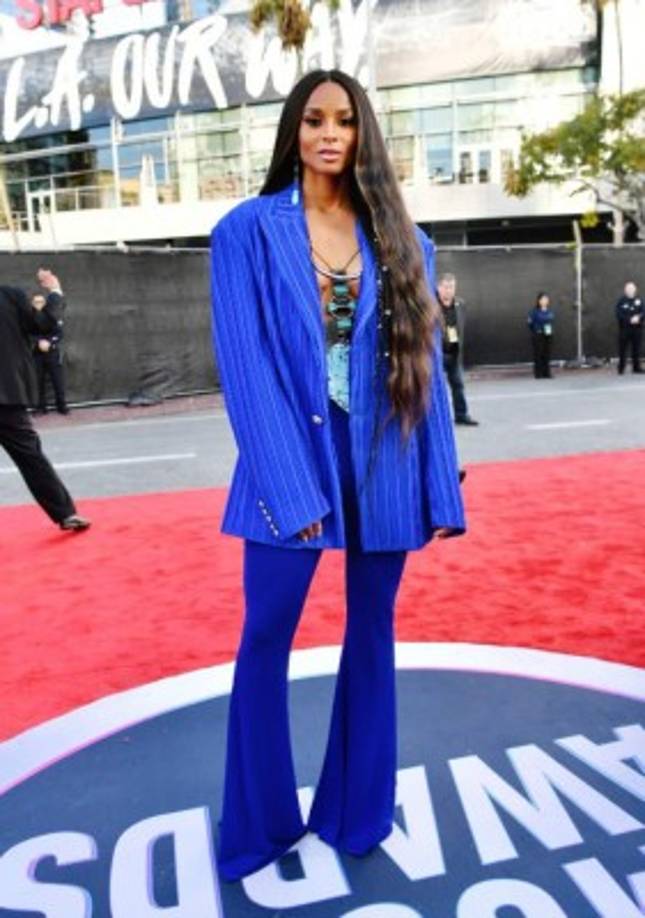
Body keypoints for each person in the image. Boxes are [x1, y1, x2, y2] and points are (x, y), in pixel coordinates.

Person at [209, 69, 465, 883]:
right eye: (315, 119)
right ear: (293, 130)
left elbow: (421, 376)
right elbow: (244, 369)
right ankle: (258, 823)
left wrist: (437, 490)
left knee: (372, 635)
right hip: (286, 463)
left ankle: (356, 811)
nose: (329, 133)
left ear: (362, 133)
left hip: (382, 461)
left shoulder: (403, 240)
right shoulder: (246, 230)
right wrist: (290, 489)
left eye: (345, 120)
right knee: (263, 634)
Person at [0, 285, 90, 531]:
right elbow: (44, 324)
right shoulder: (9, 295)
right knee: (32, 458)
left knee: (32, 458)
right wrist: (55, 292)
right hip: (7, 396)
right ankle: (65, 514)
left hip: (6, 397)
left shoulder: (9, 296)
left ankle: (65, 514)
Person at [436, 272, 479, 425]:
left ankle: (461, 415)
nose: (449, 290)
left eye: (452, 287)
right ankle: (437, 420)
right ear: (438, 287)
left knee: (458, 385)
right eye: (446, 287)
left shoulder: (461, 304)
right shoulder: (431, 305)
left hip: (454, 354)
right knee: (436, 390)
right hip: (437, 354)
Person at [34, 267, 69, 414]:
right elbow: (34, 328)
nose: (50, 280)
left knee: (57, 378)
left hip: (52, 348)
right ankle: (41, 407)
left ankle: (61, 405)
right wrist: (39, 341)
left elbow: (58, 328)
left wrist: (50, 342)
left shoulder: (55, 299)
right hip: (38, 349)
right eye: (44, 279)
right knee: (38, 379)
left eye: (50, 276)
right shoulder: (47, 303)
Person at [615, 280, 643, 374]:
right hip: (624, 329)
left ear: (635, 289)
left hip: (637, 329)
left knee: (636, 349)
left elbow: (643, 312)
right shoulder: (621, 301)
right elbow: (618, 314)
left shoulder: (640, 300)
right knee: (622, 349)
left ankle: (636, 368)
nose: (630, 290)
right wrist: (629, 319)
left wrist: (638, 317)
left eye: (632, 288)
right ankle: (621, 368)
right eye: (628, 288)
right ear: (625, 290)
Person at [527, 292, 555, 379]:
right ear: (539, 301)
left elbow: (551, 321)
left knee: (547, 353)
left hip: (548, 334)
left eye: (546, 299)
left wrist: (549, 332)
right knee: (538, 354)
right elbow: (530, 323)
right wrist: (536, 330)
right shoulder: (534, 312)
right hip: (538, 335)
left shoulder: (550, 311)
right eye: (543, 299)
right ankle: (538, 373)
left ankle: (546, 373)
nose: (545, 301)